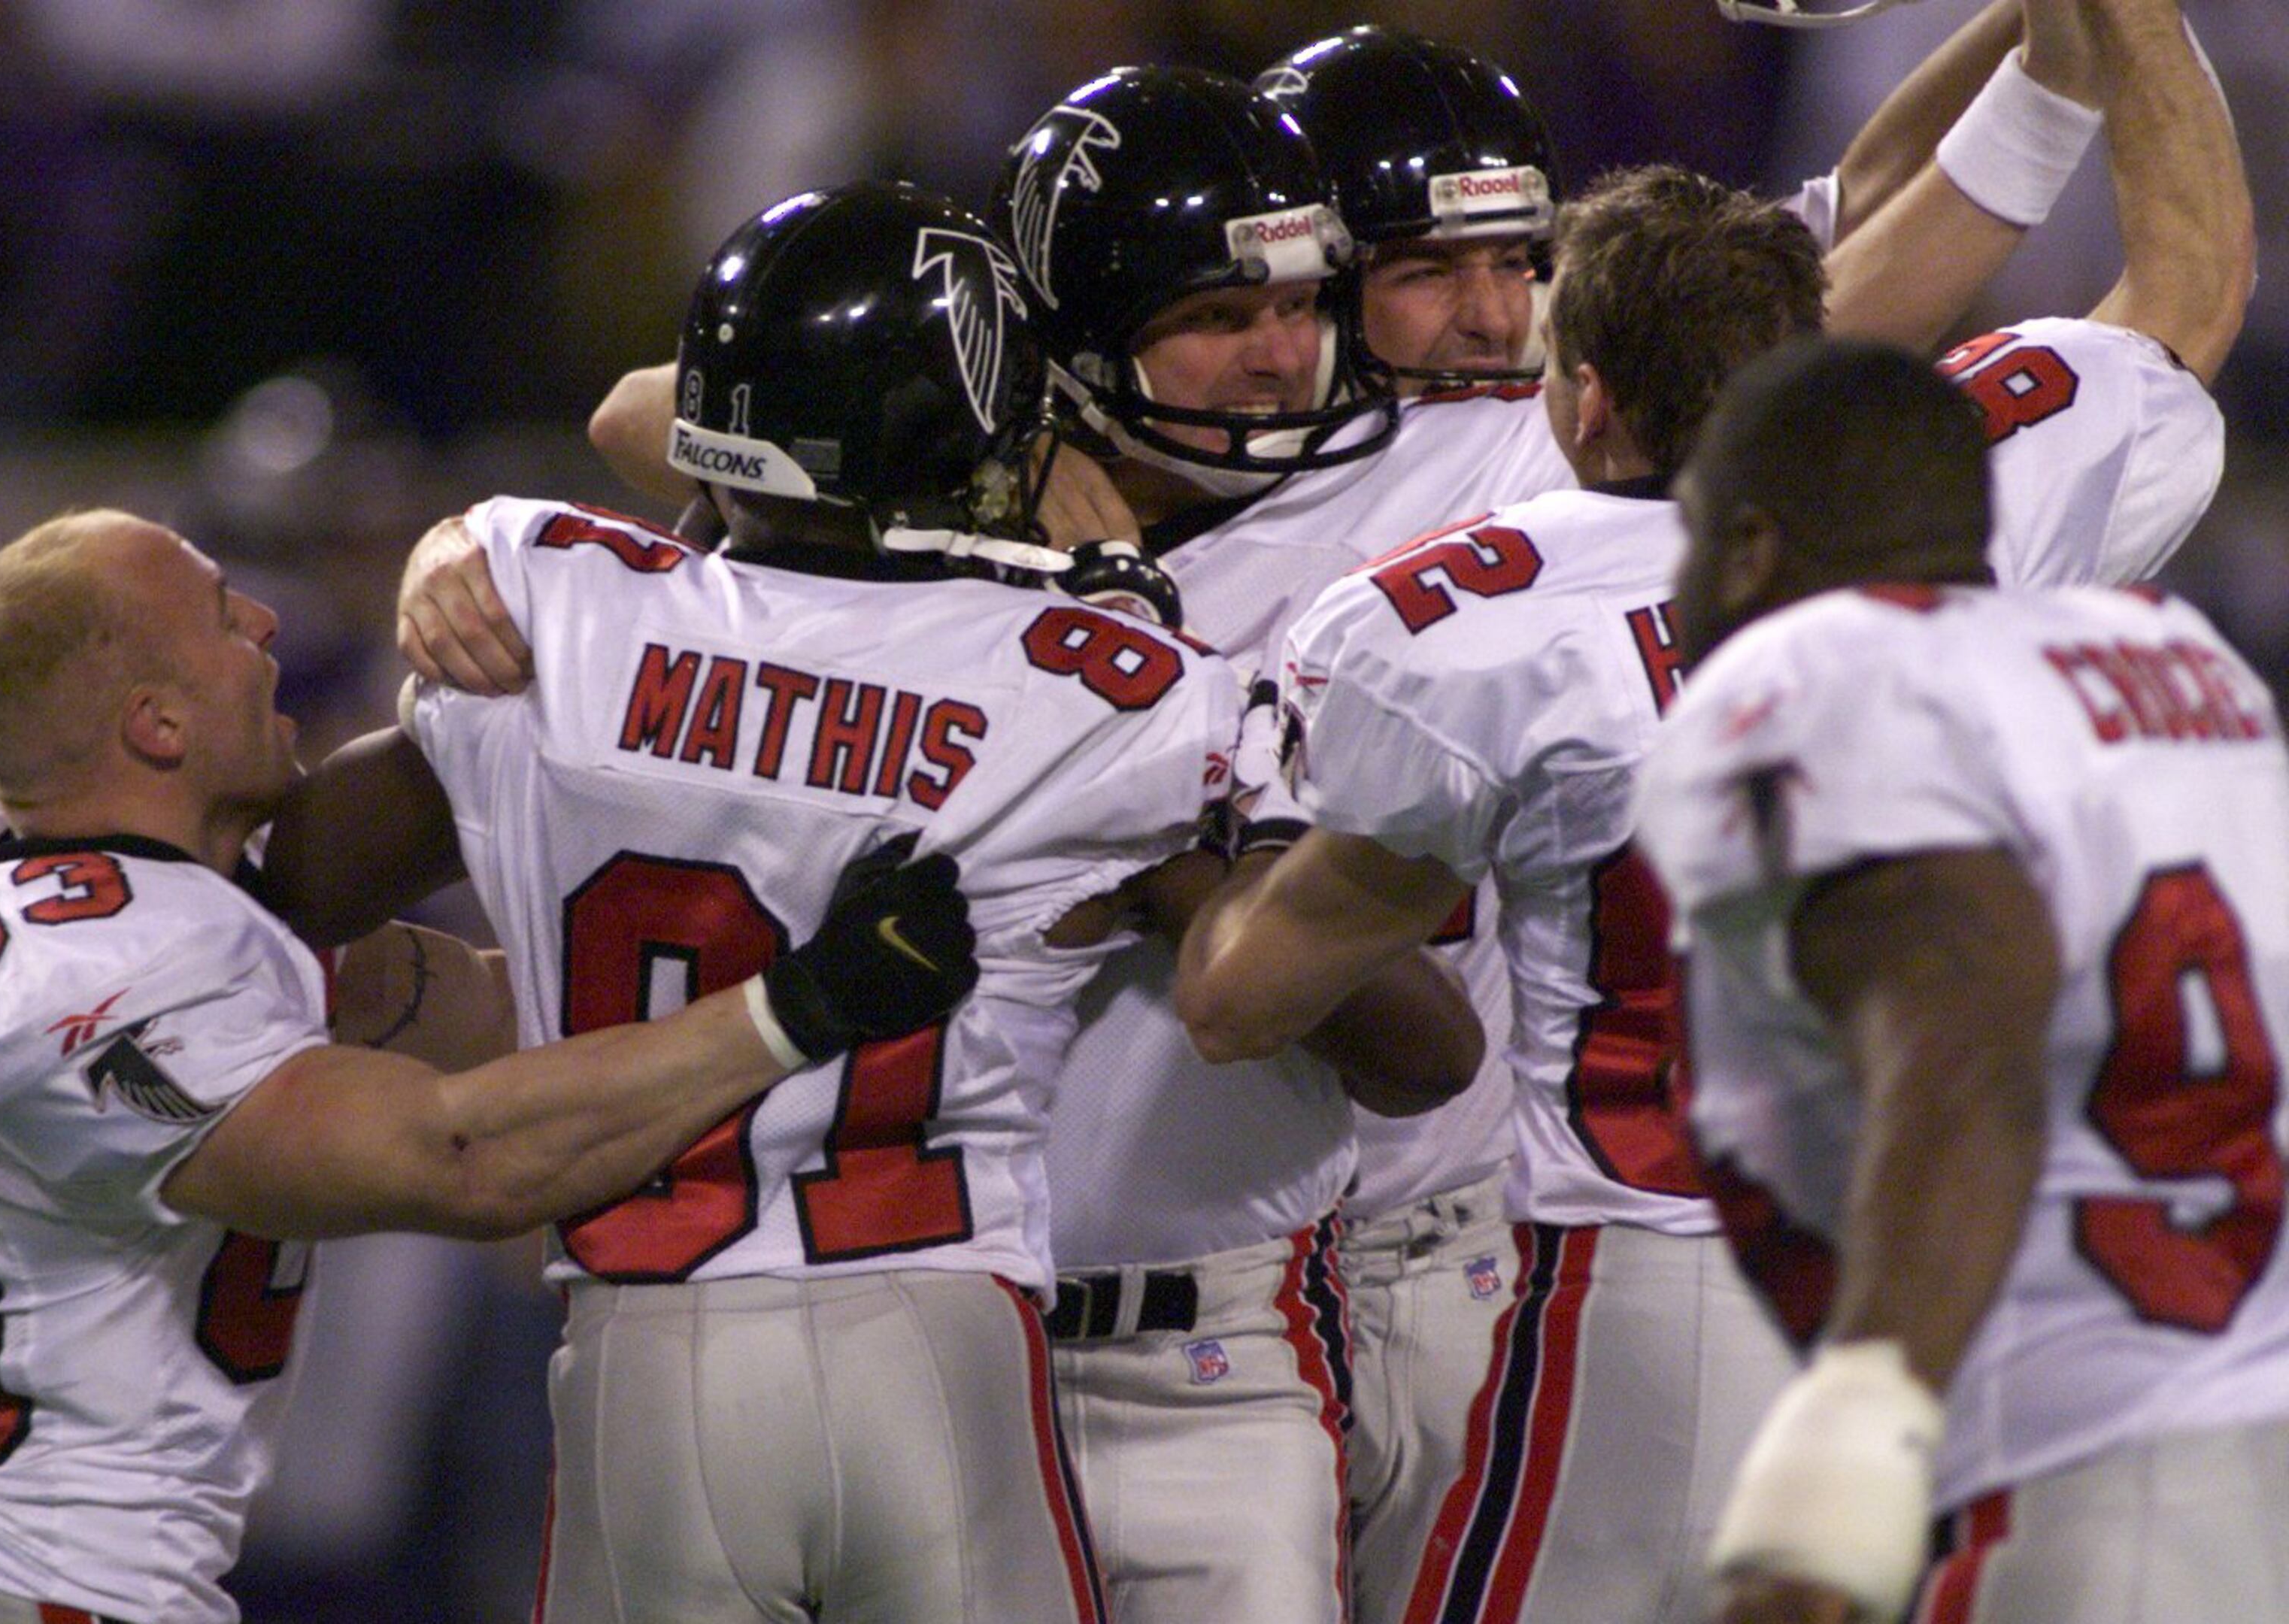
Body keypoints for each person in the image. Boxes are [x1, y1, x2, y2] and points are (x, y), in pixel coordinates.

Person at [267, 180, 1478, 1624]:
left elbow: (295, 880)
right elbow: (1420, 1051)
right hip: (935, 1333)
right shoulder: (1089, 686)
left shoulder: (552, 604)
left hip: (643, 1351)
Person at [0, 507, 985, 1624]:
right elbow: (464, 1158)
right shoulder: (78, 990)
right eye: (219, 614)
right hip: (23, 1584)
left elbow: (485, 1007)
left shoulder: (6, 864)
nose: (262, 625)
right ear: (154, 726)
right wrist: (796, 1006)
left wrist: (636, 656)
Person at [1175, 163, 1828, 1624]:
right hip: (1943, 1264)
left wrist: (1182, 854)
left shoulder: (1494, 623)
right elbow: (2181, 295)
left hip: (1642, 1263)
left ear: (1583, 399)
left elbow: (1239, 1001)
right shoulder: (1975, 577)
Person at [1638, 335, 2289, 1624]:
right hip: (2249, 1407)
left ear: (1750, 546)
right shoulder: (2172, 650)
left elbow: (1968, 1042)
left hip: (2052, 1453)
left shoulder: (1817, 670)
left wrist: (1846, 1459)